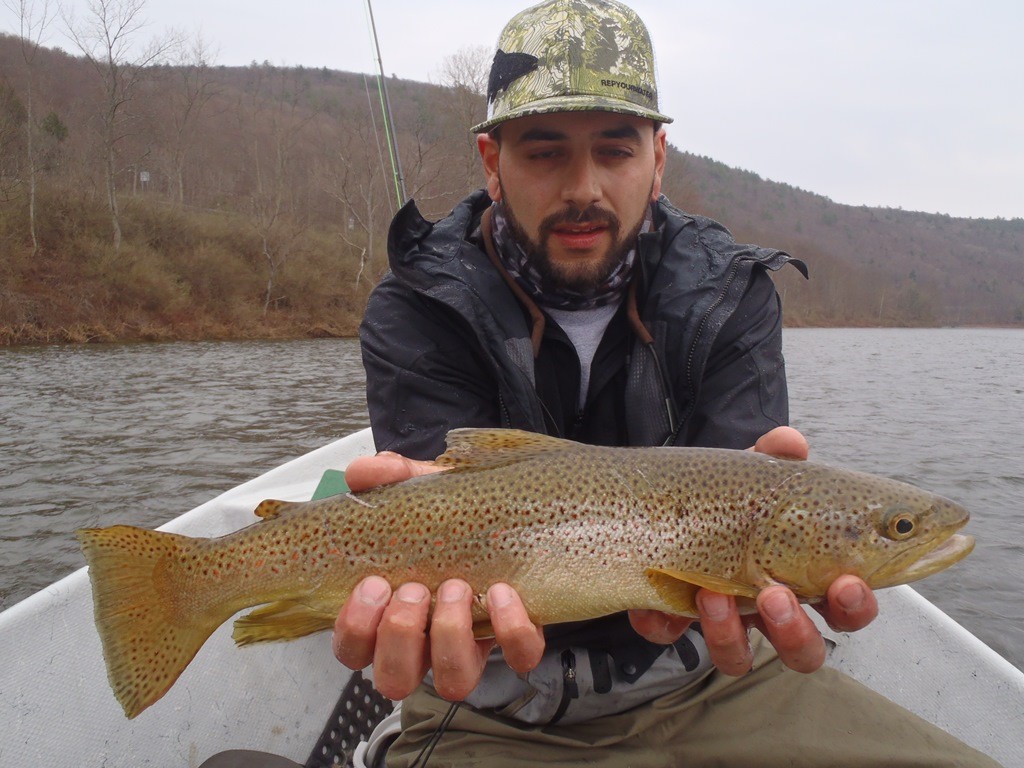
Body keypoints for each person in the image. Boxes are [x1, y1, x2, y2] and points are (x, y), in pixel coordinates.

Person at [331, 1, 1003, 766]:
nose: (582, 187)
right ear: (492, 159)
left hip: (711, 678)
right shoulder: (417, 303)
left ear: (659, 158)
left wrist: (724, 602)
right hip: (487, 702)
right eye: (545, 153)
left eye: (615, 152)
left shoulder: (731, 293)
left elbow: (738, 507)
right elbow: (439, 514)